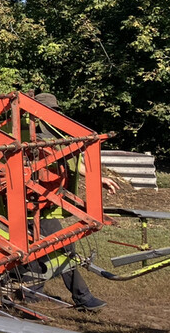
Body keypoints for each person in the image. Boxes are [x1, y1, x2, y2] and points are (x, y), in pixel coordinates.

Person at [23, 93, 119, 311]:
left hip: (45, 204)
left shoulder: (53, 140)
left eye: (56, 112)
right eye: (51, 112)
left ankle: (31, 293)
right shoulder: (29, 141)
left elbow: (73, 163)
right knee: (62, 247)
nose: (54, 116)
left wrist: (99, 179)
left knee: (44, 249)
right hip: (31, 205)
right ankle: (83, 298)